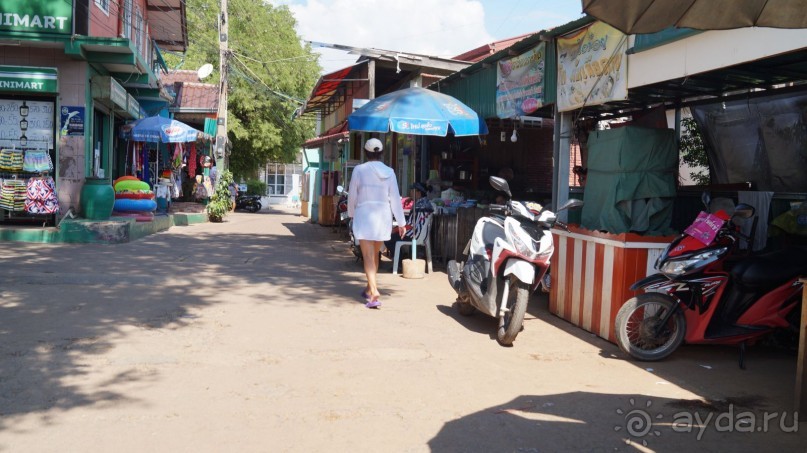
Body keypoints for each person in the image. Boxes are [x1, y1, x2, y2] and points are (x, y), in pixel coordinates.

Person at [347, 138, 406, 309]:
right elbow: (395, 198)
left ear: (366, 153)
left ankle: (373, 293)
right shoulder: (390, 172)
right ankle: (368, 288)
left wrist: (351, 214)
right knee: (375, 254)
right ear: (381, 153)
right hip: (383, 216)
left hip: (365, 215)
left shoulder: (359, 170)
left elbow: (352, 195)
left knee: (367, 256)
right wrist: (401, 222)